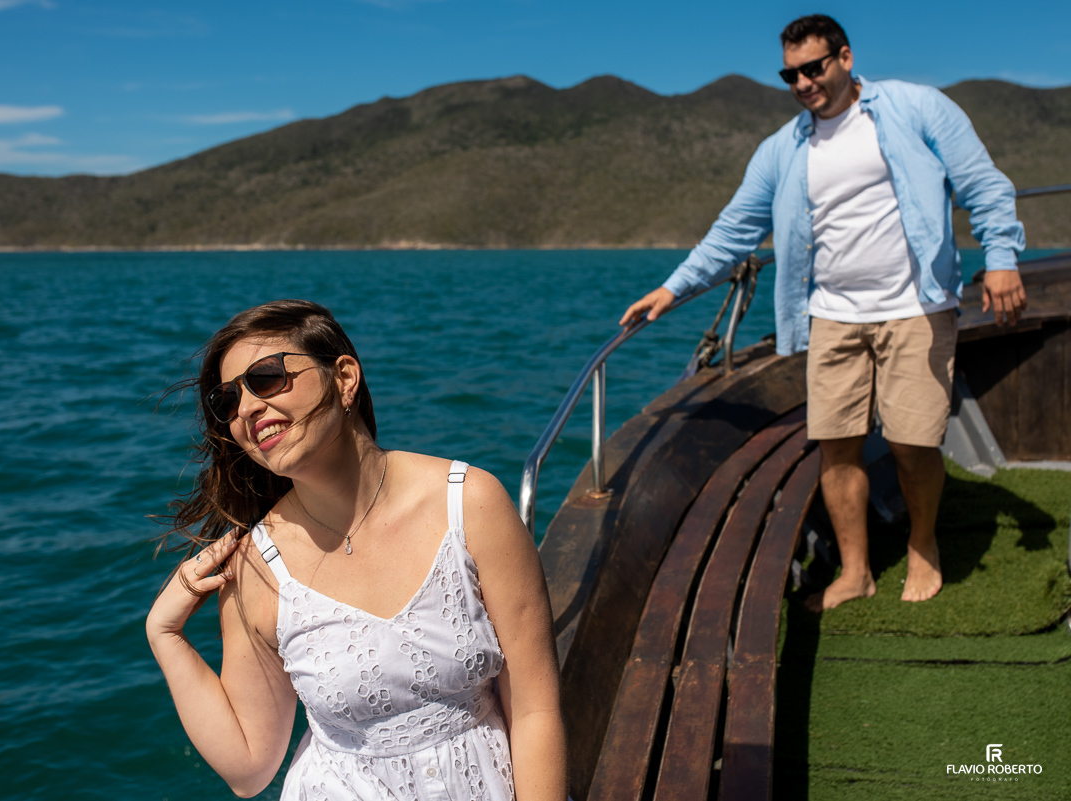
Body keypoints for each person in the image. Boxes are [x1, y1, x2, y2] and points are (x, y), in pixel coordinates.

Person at [619, 15, 1028, 611]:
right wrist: (672, 289)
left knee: (914, 444)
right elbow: (734, 232)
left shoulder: (916, 108)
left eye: (814, 67)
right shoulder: (782, 150)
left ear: (844, 57)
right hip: (831, 316)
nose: (803, 82)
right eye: (791, 74)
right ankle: (856, 570)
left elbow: (983, 185)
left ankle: (922, 544)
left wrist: (1002, 258)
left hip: (915, 307)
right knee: (837, 447)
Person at [146, 300, 567, 800]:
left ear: (344, 378)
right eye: (226, 402)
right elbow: (249, 767)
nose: (247, 408)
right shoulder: (257, 566)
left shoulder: (469, 504)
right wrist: (164, 635)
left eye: (266, 378)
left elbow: (536, 708)